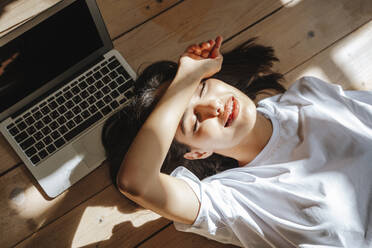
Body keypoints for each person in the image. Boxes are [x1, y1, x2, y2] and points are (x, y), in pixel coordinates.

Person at [102, 36, 372, 247]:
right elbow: (135, 182)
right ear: (197, 153)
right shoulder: (232, 199)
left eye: (202, 88)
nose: (213, 108)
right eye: (194, 121)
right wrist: (186, 79)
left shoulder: (308, 95)